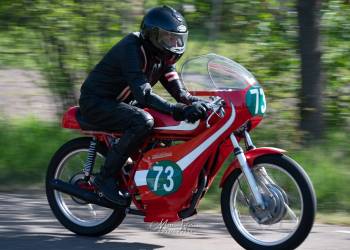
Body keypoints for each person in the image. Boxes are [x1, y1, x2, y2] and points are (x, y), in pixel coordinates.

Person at [79, 6, 208, 206]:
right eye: (168, 37)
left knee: (165, 126)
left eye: (177, 38)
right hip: (97, 102)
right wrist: (178, 110)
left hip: (122, 103)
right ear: (152, 35)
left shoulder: (162, 56)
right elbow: (144, 93)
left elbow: (178, 89)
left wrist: (194, 102)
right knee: (143, 120)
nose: (174, 43)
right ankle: (105, 178)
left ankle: (145, 179)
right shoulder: (131, 48)